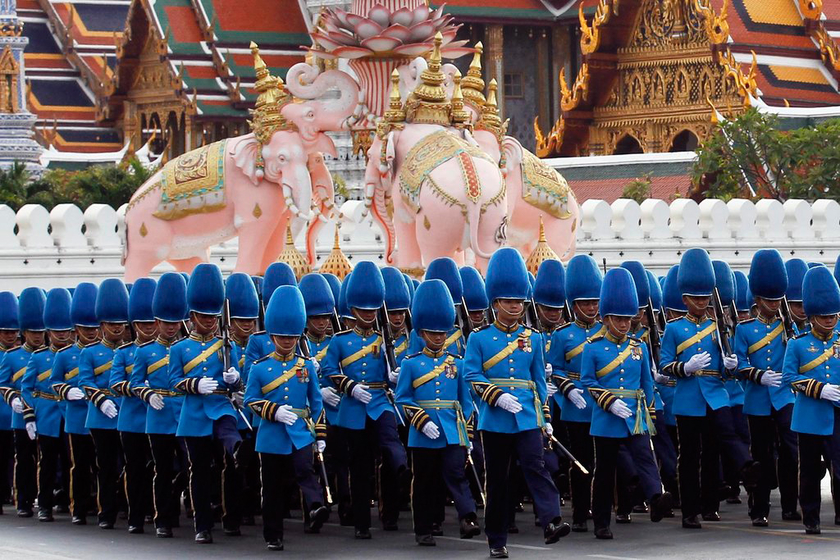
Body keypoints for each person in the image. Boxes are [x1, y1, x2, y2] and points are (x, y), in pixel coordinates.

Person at [464, 248, 569, 559]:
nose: (516, 306)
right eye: (509, 301)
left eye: (520, 301)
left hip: (526, 416)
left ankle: (551, 521)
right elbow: (471, 374)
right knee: (497, 480)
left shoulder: (533, 338)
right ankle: (497, 539)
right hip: (495, 418)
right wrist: (496, 396)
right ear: (496, 303)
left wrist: (545, 416)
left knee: (536, 467)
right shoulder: (479, 338)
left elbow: (538, 381)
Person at [659, 248, 760, 530]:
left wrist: (730, 364)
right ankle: (691, 510)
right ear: (685, 299)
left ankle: (726, 488)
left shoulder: (719, 326)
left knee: (721, 441)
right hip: (689, 396)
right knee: (690, 456)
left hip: (716, 394)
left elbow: (729, 366)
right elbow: (666, 364)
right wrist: (686, 367)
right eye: (697, 298)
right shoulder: (675, 329)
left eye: (706, 297)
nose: (703, 302)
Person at [580, 268, 672, 539]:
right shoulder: (592, 347)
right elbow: (588, 382)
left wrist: (652, 411)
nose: (623, 324)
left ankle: (656, 498)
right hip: (607, 417)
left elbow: (646, 383)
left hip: (635, 414)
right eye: (618, 319)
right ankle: (601, 521)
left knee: (646, 458)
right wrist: (608, 402)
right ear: (606, 318)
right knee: (605, 471)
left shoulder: (638, 347)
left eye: (627, 319)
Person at [321, 261, 408, 538]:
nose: (369, 315)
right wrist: (349, 387)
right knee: (359, 467)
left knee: (391, 444)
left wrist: (395, 375)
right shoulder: (339, 340)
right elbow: (329, 370)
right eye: (363, 310)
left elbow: (392, 369)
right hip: (353, 406)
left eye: (372, 310)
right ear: (353, 311)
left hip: (380, 400)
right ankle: (361, 523)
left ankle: (402, 475)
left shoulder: (385, 339)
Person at [244, 285, 329, 551]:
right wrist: (272, 410)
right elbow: (250, 400)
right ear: (271, 336)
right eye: (282, 337)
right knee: (272, 487)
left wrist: (321, 434)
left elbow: (316, 402)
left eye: (292, 338)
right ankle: (273, 534)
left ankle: (316, 506)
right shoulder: (260, 368)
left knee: (305, 470)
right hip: (271, 434)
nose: (288, 342)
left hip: (301, 432)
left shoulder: (306, 366)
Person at [396, 279, 479, 546]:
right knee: (424, 481)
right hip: (423, 432)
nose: (438, 338)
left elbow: (465, 400)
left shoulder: (457, 362)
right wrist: (420, 420)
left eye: (442, 333)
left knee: (456, 474)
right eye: (433, 333)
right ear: (421, 333)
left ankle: (468, 518)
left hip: (452, 429)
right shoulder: (411, 364)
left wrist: (466, 428)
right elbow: (403, 399)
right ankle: (425, 527)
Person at [170, 263, 242, 544]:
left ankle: (231, 517)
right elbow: (174, 380)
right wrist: (194, 385)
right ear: (192, 316)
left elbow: (237, 383)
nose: (210, 321)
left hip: (220, 407)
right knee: (198, 471)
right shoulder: (179, 348)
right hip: (194, 414)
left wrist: (234, 378)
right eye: (203, 316)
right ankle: (203, 525)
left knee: (230, 464)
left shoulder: (227, 345)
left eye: (213, 316)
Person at [735, 249, 799, 527]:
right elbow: (738, 364)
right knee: (760, 454)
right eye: (768, 300)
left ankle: (788, 505)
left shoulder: (790, 326)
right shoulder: (745, 328)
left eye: (777, 299)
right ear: (758, 300)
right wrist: (758, 375)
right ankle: (759, 507)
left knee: (790, 450)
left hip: (785, 395)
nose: (774, 304)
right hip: (759, 396)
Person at [547, 255, 604, 533]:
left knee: (602, 461)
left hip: (604, 403)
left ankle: (602, 506)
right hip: (575, 404)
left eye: (595, 302)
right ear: (574, 305)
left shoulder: (607, 331)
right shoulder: (562, 334)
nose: (592, 308)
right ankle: (581, 511)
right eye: (586, 303)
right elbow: (554, 369)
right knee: (580, 460)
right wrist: (567, 389)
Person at [782, 264, 840, 535]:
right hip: (808, 415)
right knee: (808, 472)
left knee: (839, 467)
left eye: (834, 316)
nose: (830, 321)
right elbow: (789, 377)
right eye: (825, 317)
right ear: (813, 316)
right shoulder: (798, 343)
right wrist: (818, 389)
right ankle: (811, 517)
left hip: (837, 413)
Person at [131, 272, 188, 538]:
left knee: (191, 467)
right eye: (166, 322)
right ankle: (163, 518)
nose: (171, 327)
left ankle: (176, 504)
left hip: (184, 412)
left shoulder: (188, 349)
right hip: (158, 412)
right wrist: (147, 394)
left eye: (175, 322)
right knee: (162, 469)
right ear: (156, 322)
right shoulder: (144, 351)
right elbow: (134, 382)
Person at [78, 278, 130, 530]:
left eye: (120, 324)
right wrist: (101, 401)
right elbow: (86, 381)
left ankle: (129, 507)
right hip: (101, 415)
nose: (117, 328)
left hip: (127, 413)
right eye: (112, 324)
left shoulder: (131, 351)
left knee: (131, 465)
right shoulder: (89, 352)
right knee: (106, 467)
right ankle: (106, 511)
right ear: (101, 325)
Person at [300, 273, 352, 525]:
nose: (322, 322)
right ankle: (314, 509)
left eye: (324, 317)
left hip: (336, 409)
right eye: (315, 318)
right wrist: (318, 391)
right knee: (312, 463)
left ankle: (345, 506)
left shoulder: (336, 342)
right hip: (311, 411)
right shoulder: (298, 345)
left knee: (341, 461)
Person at [110, 278, 157, 534]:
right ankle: (136, 515)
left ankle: (158, 511)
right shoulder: (124, 352)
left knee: (159, 468)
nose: (148, 328)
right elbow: (116, 382)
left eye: (152, 322)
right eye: (143, 323)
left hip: (159, 417)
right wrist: (141, 389)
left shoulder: (166, 350)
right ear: (135, 325)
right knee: (135, 468)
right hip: (132, 417)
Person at [51, 283, 100, 525]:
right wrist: (67, 391)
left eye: (94, 327)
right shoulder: (64, 354)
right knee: (79, 466)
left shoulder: (105, 352)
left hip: (101, 414)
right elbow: (54, 381)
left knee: (101, 465)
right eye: (85, 328)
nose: (90, 332)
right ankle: (78, 507)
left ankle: (101, 505)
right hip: (77, 417)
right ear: (76, 328)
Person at [23, 288, 73, 522]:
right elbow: (26, 387)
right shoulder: (39, 356)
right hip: (47, 415)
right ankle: (44, 505)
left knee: (71, 461)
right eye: (56, 331)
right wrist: (30, 414)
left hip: (70, 413)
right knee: (48, 462)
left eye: (66, 330)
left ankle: (69, 501)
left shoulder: (77, 355)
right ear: (48, 331)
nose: (62, 335)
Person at [0, 287, 46, 517]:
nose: (38, 336)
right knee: (23, 459)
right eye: (33, 332)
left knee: (46, 459)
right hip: (15, 413)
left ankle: (42, 498)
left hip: (45, 413)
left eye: (41, 332)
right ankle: (23, 500)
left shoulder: (49, 355)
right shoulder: (12, 356)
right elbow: (4, 384)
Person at [221, 272, 260, 534]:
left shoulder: (261, 344)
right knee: (232, 468)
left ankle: (250, 509)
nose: (246, 325)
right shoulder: (224, 346)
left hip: (254, 412)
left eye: (250, 320)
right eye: (240, 320)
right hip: (232, 413)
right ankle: (230, 514)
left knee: (256, 465)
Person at [0, 292, 19, 515]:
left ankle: (11, 491)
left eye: (13, 331)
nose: (10, 336)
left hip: (15, 413)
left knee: (13, 457)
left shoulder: (20, 355)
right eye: (6, 332)